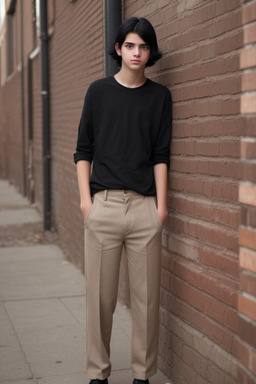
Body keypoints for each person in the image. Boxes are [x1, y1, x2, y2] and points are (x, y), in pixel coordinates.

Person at [74, 16, 172, 384]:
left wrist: (161, 209)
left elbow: (161, 154)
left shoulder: (160, 97)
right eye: (130, 45)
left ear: (150, 52)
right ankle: (98, 374)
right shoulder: (98, 92)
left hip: (146, 209)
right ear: (118, 49)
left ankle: (142, 376)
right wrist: (87, 203)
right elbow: (83, 150)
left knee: (147, 304)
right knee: (100, 302)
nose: (137, 52)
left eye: (143, 46)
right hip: (104, 207)